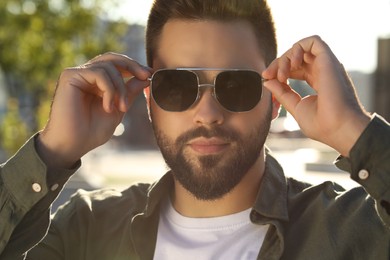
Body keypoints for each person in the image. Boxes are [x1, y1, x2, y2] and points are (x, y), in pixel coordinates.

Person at [0, 0, 389, 259]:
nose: (207, 113)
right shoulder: (84, 229)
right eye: (177, 86)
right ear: (149, 101)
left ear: (274, 99)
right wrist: (53, 151)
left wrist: (353, 130)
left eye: (236, 85)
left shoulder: (353, 229)